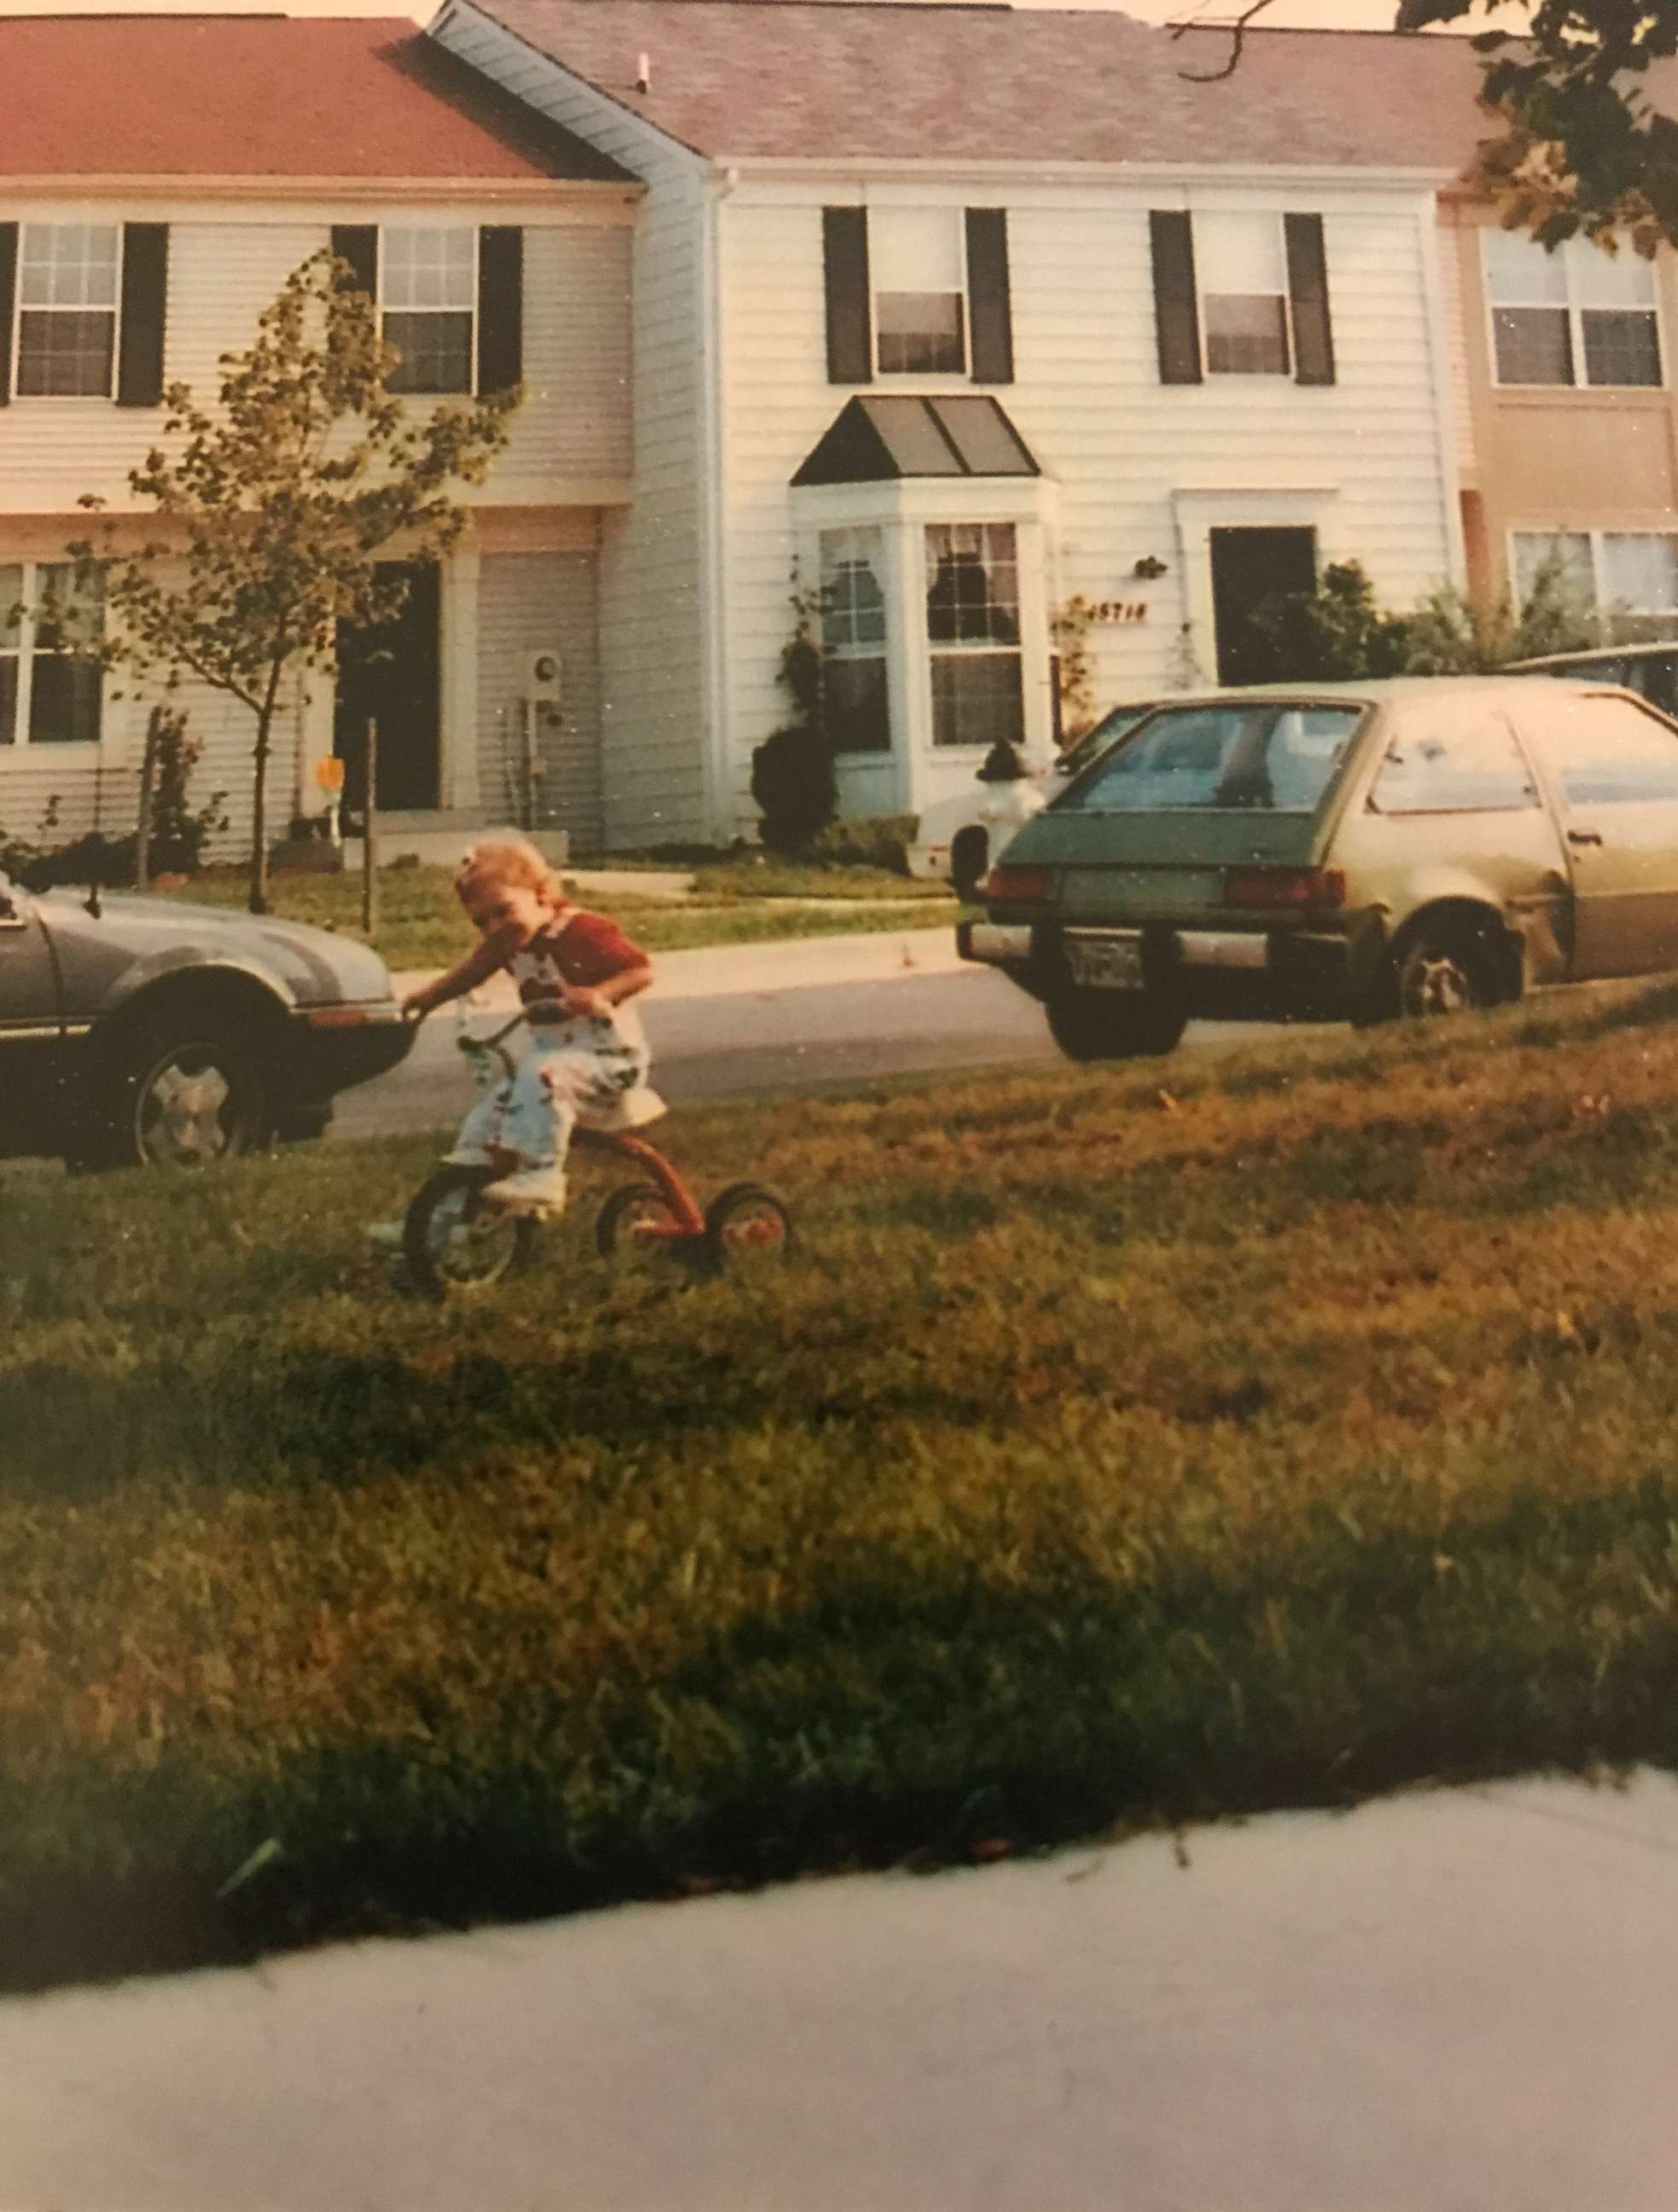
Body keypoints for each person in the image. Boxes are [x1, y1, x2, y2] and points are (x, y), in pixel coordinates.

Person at [373, 839, 664, 1242]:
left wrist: (601, 994)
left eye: (503, 912)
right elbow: (472, 971)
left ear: (542, 895)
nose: (493, 929)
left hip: (610, 1063)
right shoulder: (507, 942)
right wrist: (429, 997)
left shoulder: (581, 930)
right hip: (553, 1064)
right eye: (481, 922)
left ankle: (540, 1174)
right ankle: (447, 1210)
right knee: (489, 1112)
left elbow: (641, 971)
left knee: (542, 1076)